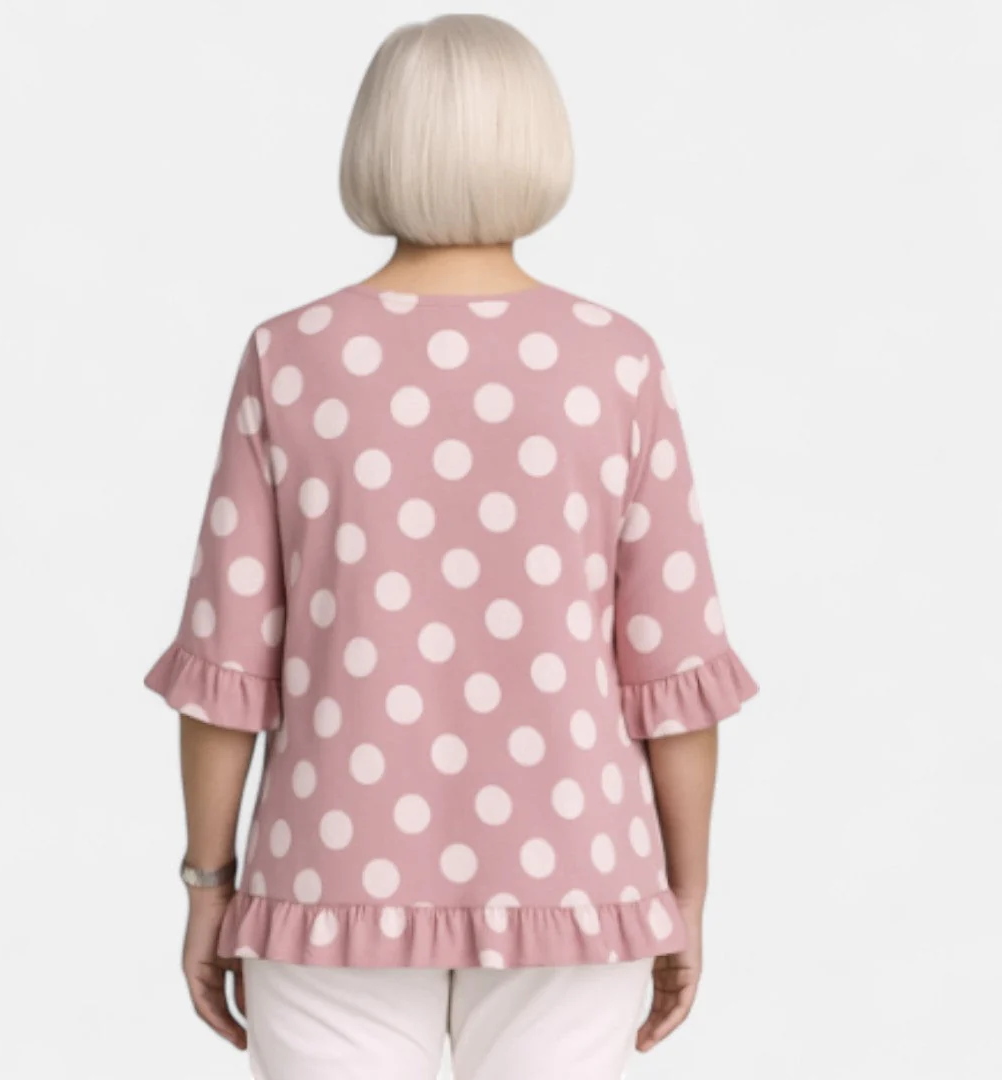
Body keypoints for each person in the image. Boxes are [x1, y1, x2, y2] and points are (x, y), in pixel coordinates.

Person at [143, 12, 759, 1079]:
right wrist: (686, 895)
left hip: (326, 875)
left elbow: (227, 664)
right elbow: (673, 670)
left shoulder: (291, 357)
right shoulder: (616, 362)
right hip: (579, 879)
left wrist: (208, 883)